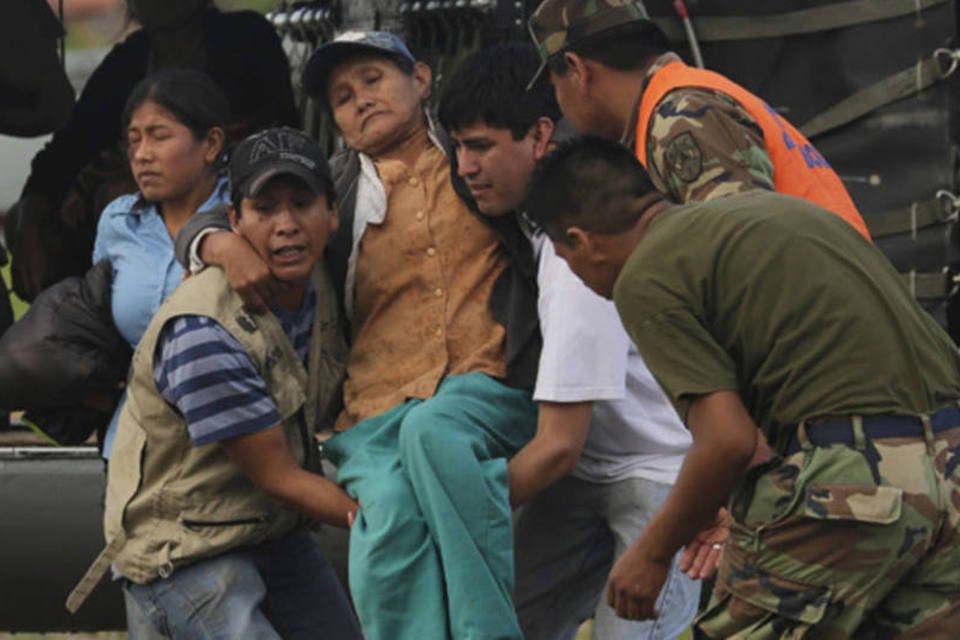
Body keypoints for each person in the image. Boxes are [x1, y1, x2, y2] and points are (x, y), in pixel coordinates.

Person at [174, 31, 540, 640]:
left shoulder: (472, 157)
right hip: (376, 406)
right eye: (343, 97)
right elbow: (222, 213)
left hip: (486, 384)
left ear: (420, 80)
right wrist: (218, 244)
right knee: (387, 517)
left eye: (374, 80)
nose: (361, 100)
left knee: (436, 433)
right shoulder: (335, 187)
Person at [524, 134, 960, 637]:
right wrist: (712, 503)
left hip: (859, 479)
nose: (578, 278)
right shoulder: (774, 215)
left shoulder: (646, 273)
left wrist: (653, 552)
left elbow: (726, 441)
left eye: (566, 259)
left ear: (582, 241)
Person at [438, 42, 703, 639]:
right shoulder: (530, 222)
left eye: (480, 146)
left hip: (660, 473)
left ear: (538, 136)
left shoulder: (574, 247)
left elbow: (557, 445)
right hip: (585, 474)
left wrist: (449, 514)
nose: (464, 168)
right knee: (492, 619)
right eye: (457, 147)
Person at [67, 126, 362, 640]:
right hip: (184, 548)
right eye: (265, 209)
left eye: (301, 203)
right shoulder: (203, 329)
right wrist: (390, 520)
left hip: (269, 531)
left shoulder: (326, 281)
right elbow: (278, 476)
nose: (287, 225)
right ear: (236, 220)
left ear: (332, 213)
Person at [8, 0, 298, 301]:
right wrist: (30, 215)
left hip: (231, 204)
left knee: (118, 195)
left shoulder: (246, 38)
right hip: (140, 222)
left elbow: (280, 137)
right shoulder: (128, 60)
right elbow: (65, 152)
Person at [525, 0, 870, 240]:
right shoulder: (684, 97)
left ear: (577, 69)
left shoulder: (679, 117)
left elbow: (747, 256)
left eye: (554, 86)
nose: (558, 101)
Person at [84, 68, 236, 457]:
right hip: (134, 446)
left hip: (235, 446)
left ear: (211, 144)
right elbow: (101, 325)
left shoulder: (249, 215)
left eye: (160, 136)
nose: (142, 155)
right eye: (134, 141)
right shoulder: (119, 222)